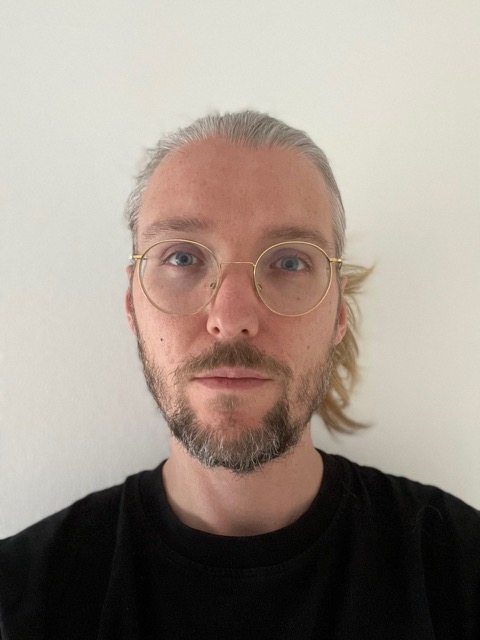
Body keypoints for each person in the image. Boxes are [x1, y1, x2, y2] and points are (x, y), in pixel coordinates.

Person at [0, 111, 478, 639]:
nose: (231, 318)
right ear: (133, 304)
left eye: (289, 263)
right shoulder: (22, 599)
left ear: (339, 311)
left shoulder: (459, 570)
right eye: (183, 257)